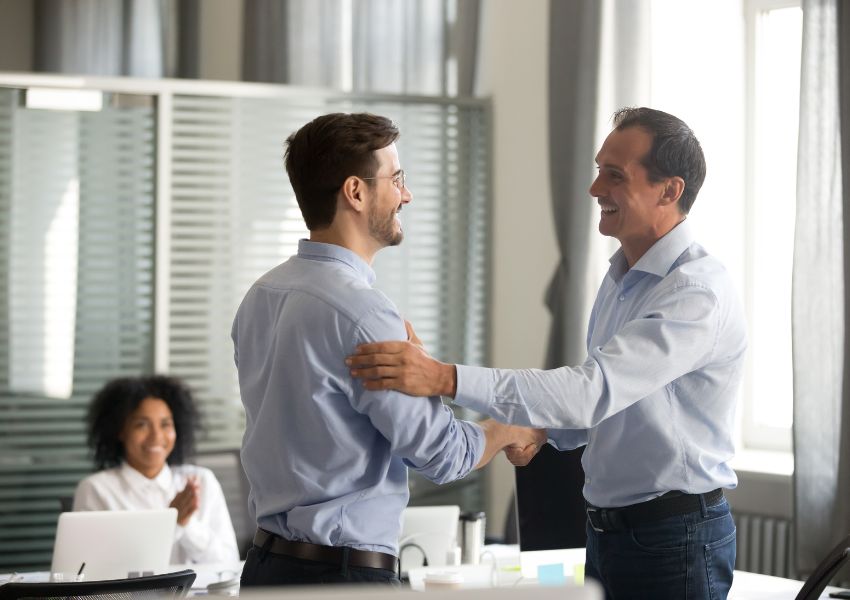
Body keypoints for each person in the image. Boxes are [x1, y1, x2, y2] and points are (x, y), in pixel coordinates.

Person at [347, 107, 747, 600]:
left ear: (670, 190)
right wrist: (537, 430)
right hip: (609, 533)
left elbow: (591, 392)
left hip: (673, 537)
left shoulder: (695, 291)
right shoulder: (622, 276)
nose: (595, 189)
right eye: (600, 170)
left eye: (615, 176)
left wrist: (444, 378)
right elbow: (609, 409)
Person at [231, 112, 545, 588]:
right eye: (397, 179)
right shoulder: (362, 313)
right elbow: (441, 454)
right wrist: (504, 429)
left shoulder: (261, 295)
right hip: (339, 577)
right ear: (355, 192)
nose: (407, 194)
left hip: (265, 569)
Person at [73, 375, 240, 565]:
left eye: (165, 424)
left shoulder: (201, 481)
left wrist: (188, 524)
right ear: (120, 431)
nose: (156, 436)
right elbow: (91, 570)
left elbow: (228, 562)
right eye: (141, 425)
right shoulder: (96, 490)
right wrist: (172, 522)